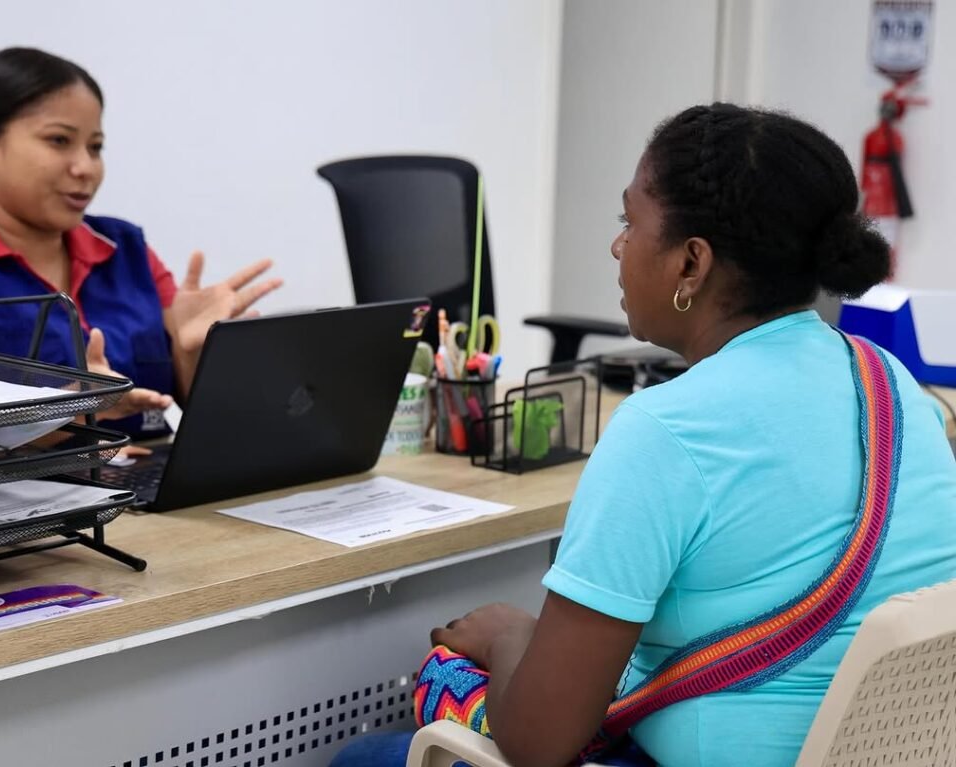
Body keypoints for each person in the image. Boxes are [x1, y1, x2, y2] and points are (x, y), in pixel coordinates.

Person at [329, 104, 956, 767]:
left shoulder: (665, 429)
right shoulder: (891, 386)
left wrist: (510, 635)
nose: (618, 244)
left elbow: (538, 742)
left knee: (361, 758)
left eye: (630, 222)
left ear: (692, 264)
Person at [0, 47, 282, 438]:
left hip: (144, 482)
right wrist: (70, 417)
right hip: (16, 494)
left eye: (95, 147)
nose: (86, 168)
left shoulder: (125, 247)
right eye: (59, 140)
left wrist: (191, 353)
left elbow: (202, 415)